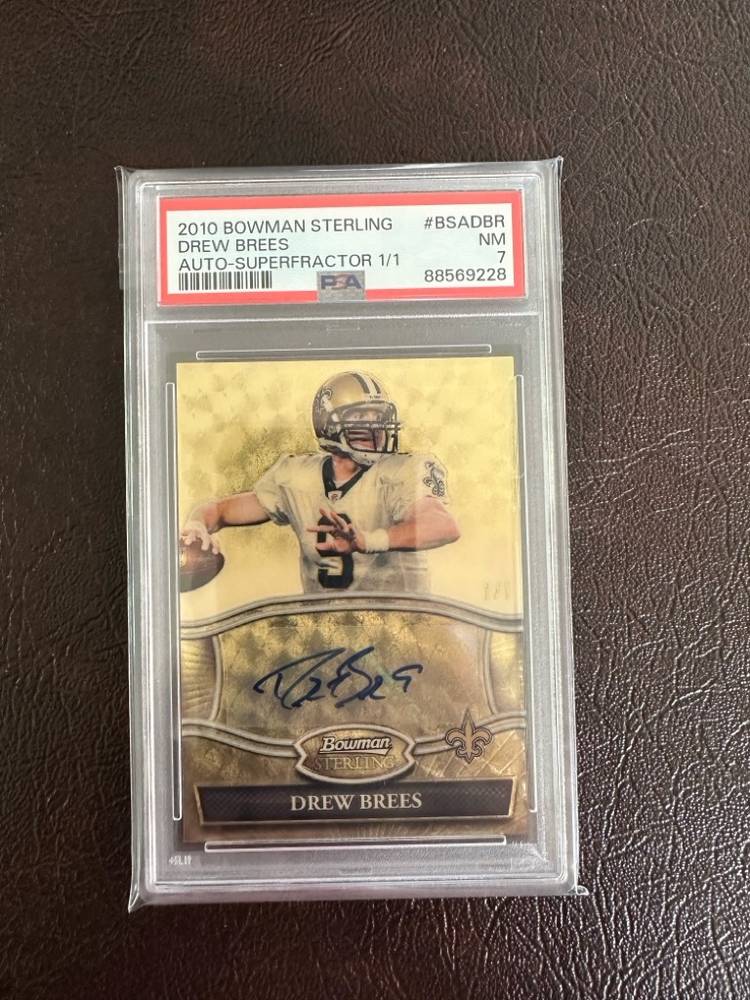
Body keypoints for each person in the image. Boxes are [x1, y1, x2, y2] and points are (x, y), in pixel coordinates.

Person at [180, 371, 460, 593]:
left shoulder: (403, 471)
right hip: (324, 630)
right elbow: (219, 511)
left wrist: (369, 540)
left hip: (401, 627)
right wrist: (196, 525)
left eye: (378, 417)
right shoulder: (295, 476)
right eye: (360, 417)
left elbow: (442, 525)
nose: (374, 427)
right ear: (328, 424)